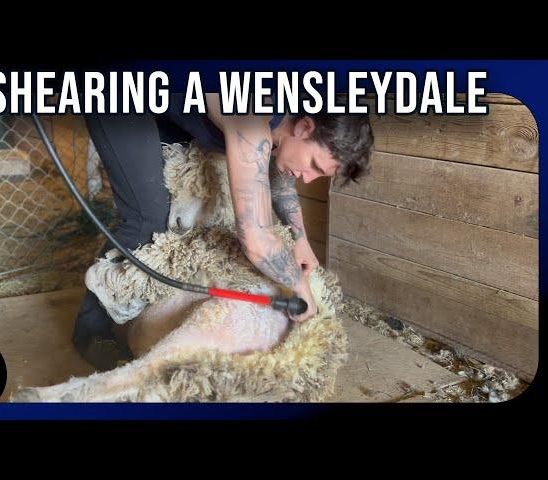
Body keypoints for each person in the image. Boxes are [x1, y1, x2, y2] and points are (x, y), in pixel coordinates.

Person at [73, 93, 374, 371]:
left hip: (167, 108)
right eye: (313, 165)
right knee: (147, 218)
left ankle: (137, 309)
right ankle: (90, 331)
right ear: (305, 127)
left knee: (187, 211)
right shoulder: (253, 118)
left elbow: (279, 176)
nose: (308, 178)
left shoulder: (280, 123)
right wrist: (300, 289)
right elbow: (255, 239)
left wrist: (301, 240)